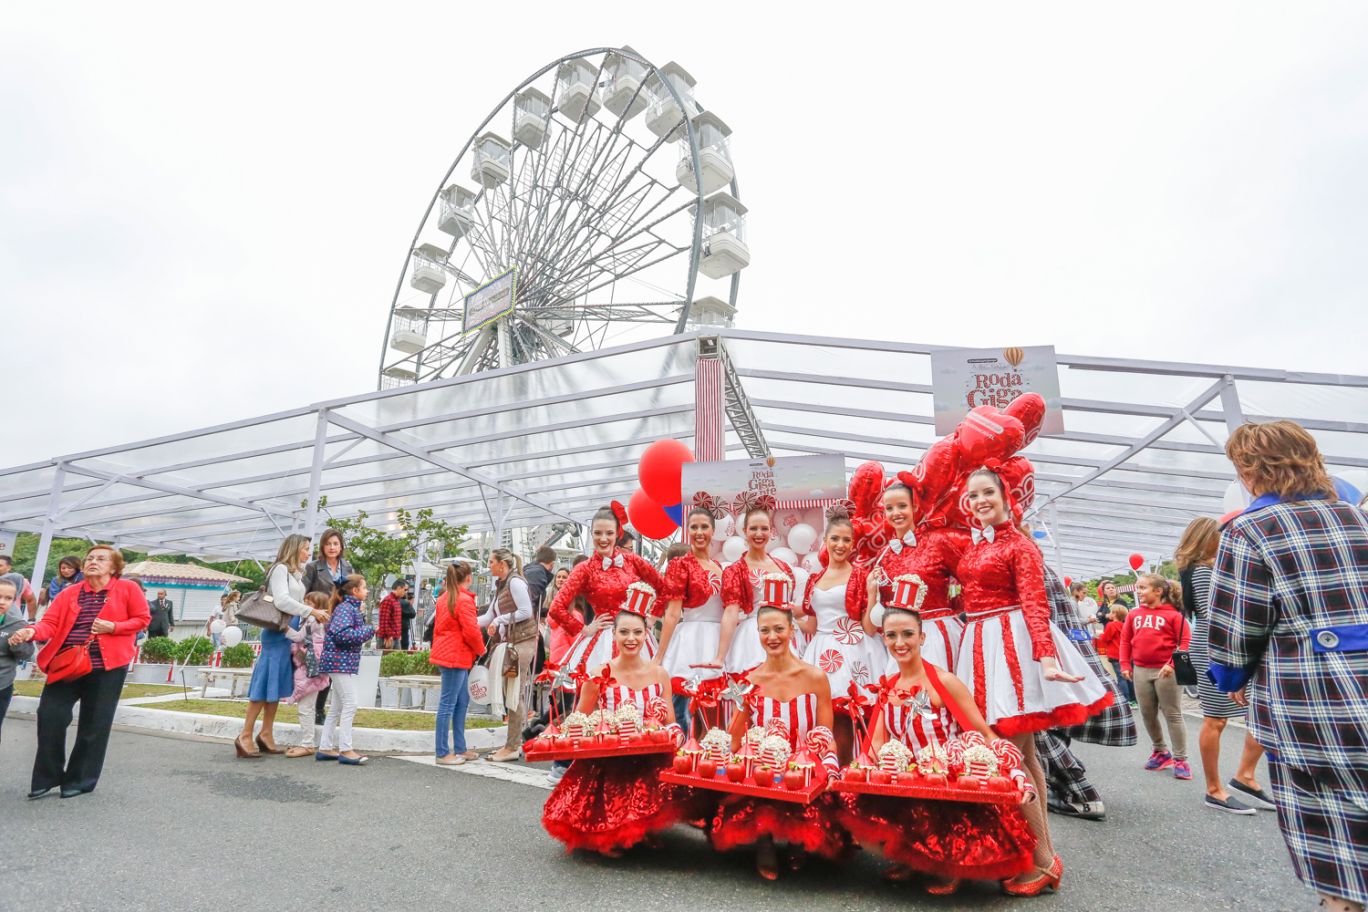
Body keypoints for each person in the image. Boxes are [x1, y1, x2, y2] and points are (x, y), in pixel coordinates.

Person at [1209, 421, 1368, 912]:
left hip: (1312, 698)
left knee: (1334, 832)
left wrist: (1232, 679)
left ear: (1251, 471)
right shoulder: (1357, 517)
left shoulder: (1249, 530)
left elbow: (1236, 631)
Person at [953, 467, 1111, 895]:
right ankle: (1039, 856)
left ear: (1006, 497)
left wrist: (1044, 657)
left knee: (1009, 755)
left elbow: (1035, 604)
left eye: (988, 492)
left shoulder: (1020, 545)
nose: (981, 500)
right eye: (974, 494)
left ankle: (1040, 860)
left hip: (1011, 649)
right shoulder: (974, 545)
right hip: (981, 645)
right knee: (1024, 757)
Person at [839, 606, 1037, 894]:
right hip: (906, 780)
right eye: (892, 635)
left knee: (940, 808)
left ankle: (950, 864)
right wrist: (854, 773)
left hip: (946, 780)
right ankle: (913, 857)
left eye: (908, 634)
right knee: (857, 804)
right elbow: (877, 743)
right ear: (883, 639)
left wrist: (1014, 771)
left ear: (922, 637)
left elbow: (981, 731)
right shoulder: (887, 687)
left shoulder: (943, 682)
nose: (900, 643)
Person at [708, 602, 846, 880]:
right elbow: (736, 737)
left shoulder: (815, 676)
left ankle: (798, 840)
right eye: (765, 631)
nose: (772, 637)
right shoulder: (750, 679)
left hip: (804, 765)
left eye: (779, 629)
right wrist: (715, 755)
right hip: (766, 767)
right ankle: (765, 840)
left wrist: (827, 766)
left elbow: (825, 732)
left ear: (792, 631)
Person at [541, 602, 684, 855]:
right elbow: (579, 720)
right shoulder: (599, 674)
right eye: (624, 632)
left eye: (638, 633)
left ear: (645, 635)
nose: (631, 639)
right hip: (611, 755)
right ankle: (609, 830)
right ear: (614, 635)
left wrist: (675, 733)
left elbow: (670, 720)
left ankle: (642, 825)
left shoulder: (660, 674)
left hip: (649, 753)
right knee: (616, 774)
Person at [8, 545, 150, 798]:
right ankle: (48, 776)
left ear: (115, 567)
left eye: (101, 559)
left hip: (107, 666)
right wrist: (31, 631)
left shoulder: (127, 589)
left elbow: (142, 619)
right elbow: (50, 623)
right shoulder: (69, 592)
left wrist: (113, 627)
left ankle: (80, 779)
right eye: (90, 558)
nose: (93, 562)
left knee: (94, 724)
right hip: (68, 662)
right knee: (50, 715)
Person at [1176, 516, 1272, 815]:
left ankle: (1243, 776)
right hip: (1214, 647)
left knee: (1259, 714)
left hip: (1216, 645)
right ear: (1208, 538)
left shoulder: (1203, 570)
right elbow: (1213, 616)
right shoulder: (1203, 571)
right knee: (1216, 718)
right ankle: (1215, 789)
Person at [1035, 552, 1136, 823]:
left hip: (1038, 646)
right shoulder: (1033, 558)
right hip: (1051, 646)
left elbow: (1041, 614)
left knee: (1035, 721)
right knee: (1048, 718)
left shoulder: (1022, 556)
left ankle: (1073, 788)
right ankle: (1060, 782)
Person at [862, 477, 969, 673]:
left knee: (941, 696)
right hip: (902, 642)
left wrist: (953, 607)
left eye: (902, 506)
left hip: (938, 634)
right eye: (889, 508)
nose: (896, 513)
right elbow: (875, 620)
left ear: (914, 508)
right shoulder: (883, 556)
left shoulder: (937, 542)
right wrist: (872, 592)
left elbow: (970, 578)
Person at [548, 504, 665, 679]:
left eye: (609, 533)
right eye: (598, 533)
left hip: (636, 637)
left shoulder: (633, 560)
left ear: (617, 534)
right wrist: (584, 629)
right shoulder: (584, 569)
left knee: (641, 690)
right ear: (592, 533)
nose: (603, 538)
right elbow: (556, 608)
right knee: (601, 691)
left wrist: (651, 618)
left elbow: (665, 589)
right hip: (602, 641)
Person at [236, 535, 327, 759]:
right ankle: (245, 735)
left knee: (274, 685)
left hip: (288, 634)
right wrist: (311, 611)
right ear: (294, 549)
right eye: (305, 549)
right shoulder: (280, 570)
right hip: (277, 633)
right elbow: (281, 601)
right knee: (264, 683)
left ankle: (266, 733)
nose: (308, 553)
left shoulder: (295, 573)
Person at [800, 511, 873, 763]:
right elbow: (810, 625)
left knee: (847, 711)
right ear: (825, 541)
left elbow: (868, 624)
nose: (840, 545)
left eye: (846, 540)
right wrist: (782, 616)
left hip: (852, 649)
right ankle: (825, 768)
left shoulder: (861, 576)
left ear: (853, 544)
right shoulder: (814, 578)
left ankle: (848, 770)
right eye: (835, 539)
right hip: (820, 649)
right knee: (821, 712)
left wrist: (873, 596)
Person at [656, 506, 727, 734]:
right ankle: (685, 751)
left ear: (713, 530)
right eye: (694, 527)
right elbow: (673, 613)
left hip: (719, 639)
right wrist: (659, 655)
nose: (699, 532)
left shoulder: (718, 566)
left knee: (713, 706)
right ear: (687, 531)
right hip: (692, 639)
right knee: (688, 703)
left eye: (704, 527)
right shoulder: (681, 564)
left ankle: (712, 752)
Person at [1119, 573, 1192, 780]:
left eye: (1143, 588)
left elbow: (1185, 642)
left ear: (1158, 591)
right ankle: (1161, 751)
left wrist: (1171, 664)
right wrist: (1125, 664)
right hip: (1141, 670)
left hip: (1166, 671)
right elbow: (1126, 640)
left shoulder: (1175, 616)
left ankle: (1181, 759)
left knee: (1172, 714)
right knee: (1147, 713)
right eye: (1138, 588)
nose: (1138, 592)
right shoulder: (1134, 614)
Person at [713, 504, 798, 677]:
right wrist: (720, 657)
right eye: (753, 528)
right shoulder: (735, 570)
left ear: (770, 530)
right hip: (753, 637)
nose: (759, 534)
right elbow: (730, 613)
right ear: (745, 531)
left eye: (764, 528)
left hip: (786, 634)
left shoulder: (783, 567)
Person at [478, 548, 538, 762]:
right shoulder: (504, 584)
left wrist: (499, 621)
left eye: (490, 561)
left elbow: (526, 611)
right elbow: (488, 615)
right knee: (513, 691)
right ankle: (514, 743)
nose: (489, 565)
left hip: (521, 642)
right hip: (514, 643)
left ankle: (512, 746)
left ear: (501, 564)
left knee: (515, 692)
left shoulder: (515, 582)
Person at [317, 574, 376, 765]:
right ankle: (346, 749)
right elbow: (342, 635)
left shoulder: (347, 608)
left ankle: (326, 747)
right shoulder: (346, 609)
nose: (366, 591)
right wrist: (369, 630)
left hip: (339, 662)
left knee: (337, 707)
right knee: (351, 703)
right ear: (355, 591)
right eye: (364, 587)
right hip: (338, 662)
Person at [431, 561, 484, 765]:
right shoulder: (464, 600)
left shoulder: (445, 598)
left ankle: (459, 748)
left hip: (449, 654)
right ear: (469, 578)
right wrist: (481, 649)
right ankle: (442, 752)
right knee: (449, 704)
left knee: (460, 702)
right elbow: (472, 630)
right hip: (457, 656)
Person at [303, 528, 354, 728]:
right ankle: (315, 708)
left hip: (340, 623)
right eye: (328, 544)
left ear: (341, 546)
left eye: (336, 544)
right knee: (319, 667)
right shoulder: (314, 567)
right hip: (319, 623)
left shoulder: (347, 566)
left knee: (334, 667)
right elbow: (304, 596)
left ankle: (322, 708)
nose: (332, 548)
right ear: (323, 546)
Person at [283, 592, 331, 758]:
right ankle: (308, 742)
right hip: (318, 665)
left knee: (305, 707)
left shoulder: (312, 620)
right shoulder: (323, 621)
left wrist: (283, 627)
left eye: (308, 603)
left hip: (310, 666)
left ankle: (307, 743)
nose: (304, 606)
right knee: (308, 706)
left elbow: (298, 637)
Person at [0, 578, 36, 744]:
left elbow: (27, 654)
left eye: (8, 598)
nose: (3, 602)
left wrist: (17, 644)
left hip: (2, 685)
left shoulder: (17, 625)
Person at [1094, 604, 1134, 703]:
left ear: (1115, 614)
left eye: (1111, 612)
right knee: (1129, 676)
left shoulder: (1111, 625)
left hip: (1115, 654)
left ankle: (1125, 699)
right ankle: (1133, 699)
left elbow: (1106, 638)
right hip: (1127, 655)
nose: (1109, 614)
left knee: (1121, 678)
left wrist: (1100, 635)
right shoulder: (1125, 625)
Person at [0, 556, 38, 622]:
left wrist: (31, 620)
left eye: (0, 566)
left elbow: (31, 600)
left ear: (9, 567)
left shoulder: (21, 581)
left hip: (11, 621)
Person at [524, 545, 556, 619]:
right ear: (552, 563)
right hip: (524, 626)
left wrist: (549, 611)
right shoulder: (538, 574)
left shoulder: (531, 570)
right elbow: (529, 603)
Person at [377, 580, 407, 650]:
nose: (405, 592)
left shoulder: (396, 600)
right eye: (404, 589)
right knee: (385, 660)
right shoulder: (388, 600)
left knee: (397, 660)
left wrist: (398, 635)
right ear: (399, 588)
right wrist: (388, 637)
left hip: (395, 637)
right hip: (388, 638)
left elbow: (395, 621)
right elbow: (384, 621)